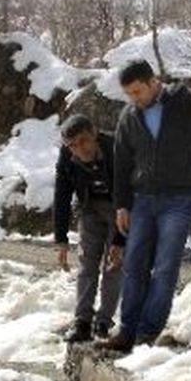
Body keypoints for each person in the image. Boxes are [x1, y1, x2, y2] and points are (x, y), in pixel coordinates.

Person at [99, 60, 191, 352]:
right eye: (129, 94)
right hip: (142, 201)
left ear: (153, 82)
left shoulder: (188, 102)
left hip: (179, 199)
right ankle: (127, 331)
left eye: (138, 91)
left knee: (165, 267)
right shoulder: (129, 116)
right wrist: (122, 206)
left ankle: (147, 334)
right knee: (135, 265)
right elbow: (122, 163)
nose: (134, 99)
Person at [53, 114, 125, 343]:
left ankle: (103, 321)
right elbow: (62, 195)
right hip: (90, 207)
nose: (79, 149)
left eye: (83, 141)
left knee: (114, 264)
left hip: (122, 208)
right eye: (72, 145)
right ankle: (82, 321)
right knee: (87, 264)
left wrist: (120, 242)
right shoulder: (67, 156)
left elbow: (132, 193)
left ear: (94, 134)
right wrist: (61, 239)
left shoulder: (117, 150)